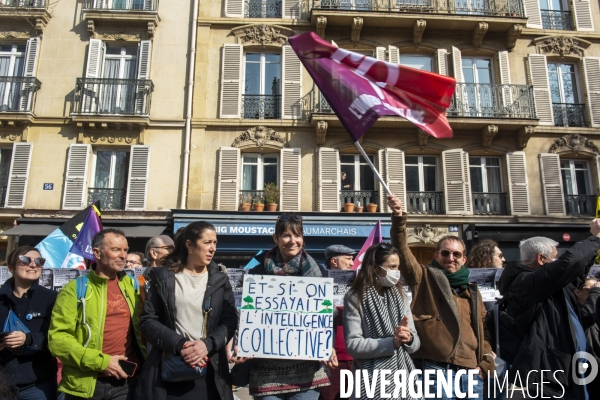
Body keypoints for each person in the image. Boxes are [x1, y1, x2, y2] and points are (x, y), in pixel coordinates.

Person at [387, 194, 494, 399]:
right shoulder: (424, 276)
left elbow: (483, 331)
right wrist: (398, 216)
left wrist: (485, 364)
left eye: (455, 254)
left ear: (464, 258)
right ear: (436, 256)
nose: (450, 258)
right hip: (435, 368)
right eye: (445, 253)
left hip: (470, 371)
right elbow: (402, 250)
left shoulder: (472, 290)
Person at [135, 221, 237, 400]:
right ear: (189, 244)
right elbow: (148, 322)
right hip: (168, 371)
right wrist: (181, 344)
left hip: (209, 372)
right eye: (207, 242)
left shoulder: (221, 281)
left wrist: (207, 344)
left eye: (215, 243)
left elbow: (229, 321)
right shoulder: (163, 277)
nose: (213, 248)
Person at [239, 213, 337, 400]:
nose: (293, 241)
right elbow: (245, 313)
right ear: (275, 238)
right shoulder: (257, 272)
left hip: (307, 375)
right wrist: (242, 341)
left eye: (297, 235)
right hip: (266, 375)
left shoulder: (317, 272)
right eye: (286, 235)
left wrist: (326, 345)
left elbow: (328, 314)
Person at [498, 224, 600, 400]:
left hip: (572, 369)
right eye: (555, 258)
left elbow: (576, 272)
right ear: (541, 259)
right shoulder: (527, 282)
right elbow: (570, 263)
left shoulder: (552, 286)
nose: (558, 261)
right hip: (552, 372)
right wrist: (596, 238)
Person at [49, 229, 146, 399]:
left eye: (125, 250)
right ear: (97, 253)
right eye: (116, 249)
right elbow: (58, 340)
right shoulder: (73, 290)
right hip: (87, 384)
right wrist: (103, 362)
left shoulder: (133, 286)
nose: (123, 255)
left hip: (128, 383)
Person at [343, 242, 420, 399]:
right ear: (374, 267)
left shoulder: (401, 297)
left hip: (402, 380)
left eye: (398, 267)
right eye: (392, 267)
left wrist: (408, 338)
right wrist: (391, 342)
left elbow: (415, 343)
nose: (396, 272)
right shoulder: (354, 298)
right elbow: (353, 345)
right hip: (369, 381)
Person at [0, 246, 58, 399]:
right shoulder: (0, 298)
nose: (33, 265)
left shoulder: (53, 298)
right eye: (25, 260)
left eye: (39, 261)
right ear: (11, 267)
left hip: (38, 385)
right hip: (2, 384)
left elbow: (60, 338)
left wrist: (29, 339)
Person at [319, 245, 356, 400]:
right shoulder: (318, 285)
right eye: (348, 259)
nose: (352, 263)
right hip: (330, 360)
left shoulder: (358, 286)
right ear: (334, 261)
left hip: (355, 358)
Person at [575, 278, 600, 399]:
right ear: (577, 292)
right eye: (591, 288)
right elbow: (586, 317)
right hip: (589, 368)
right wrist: (595, 292)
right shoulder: (575, 312)